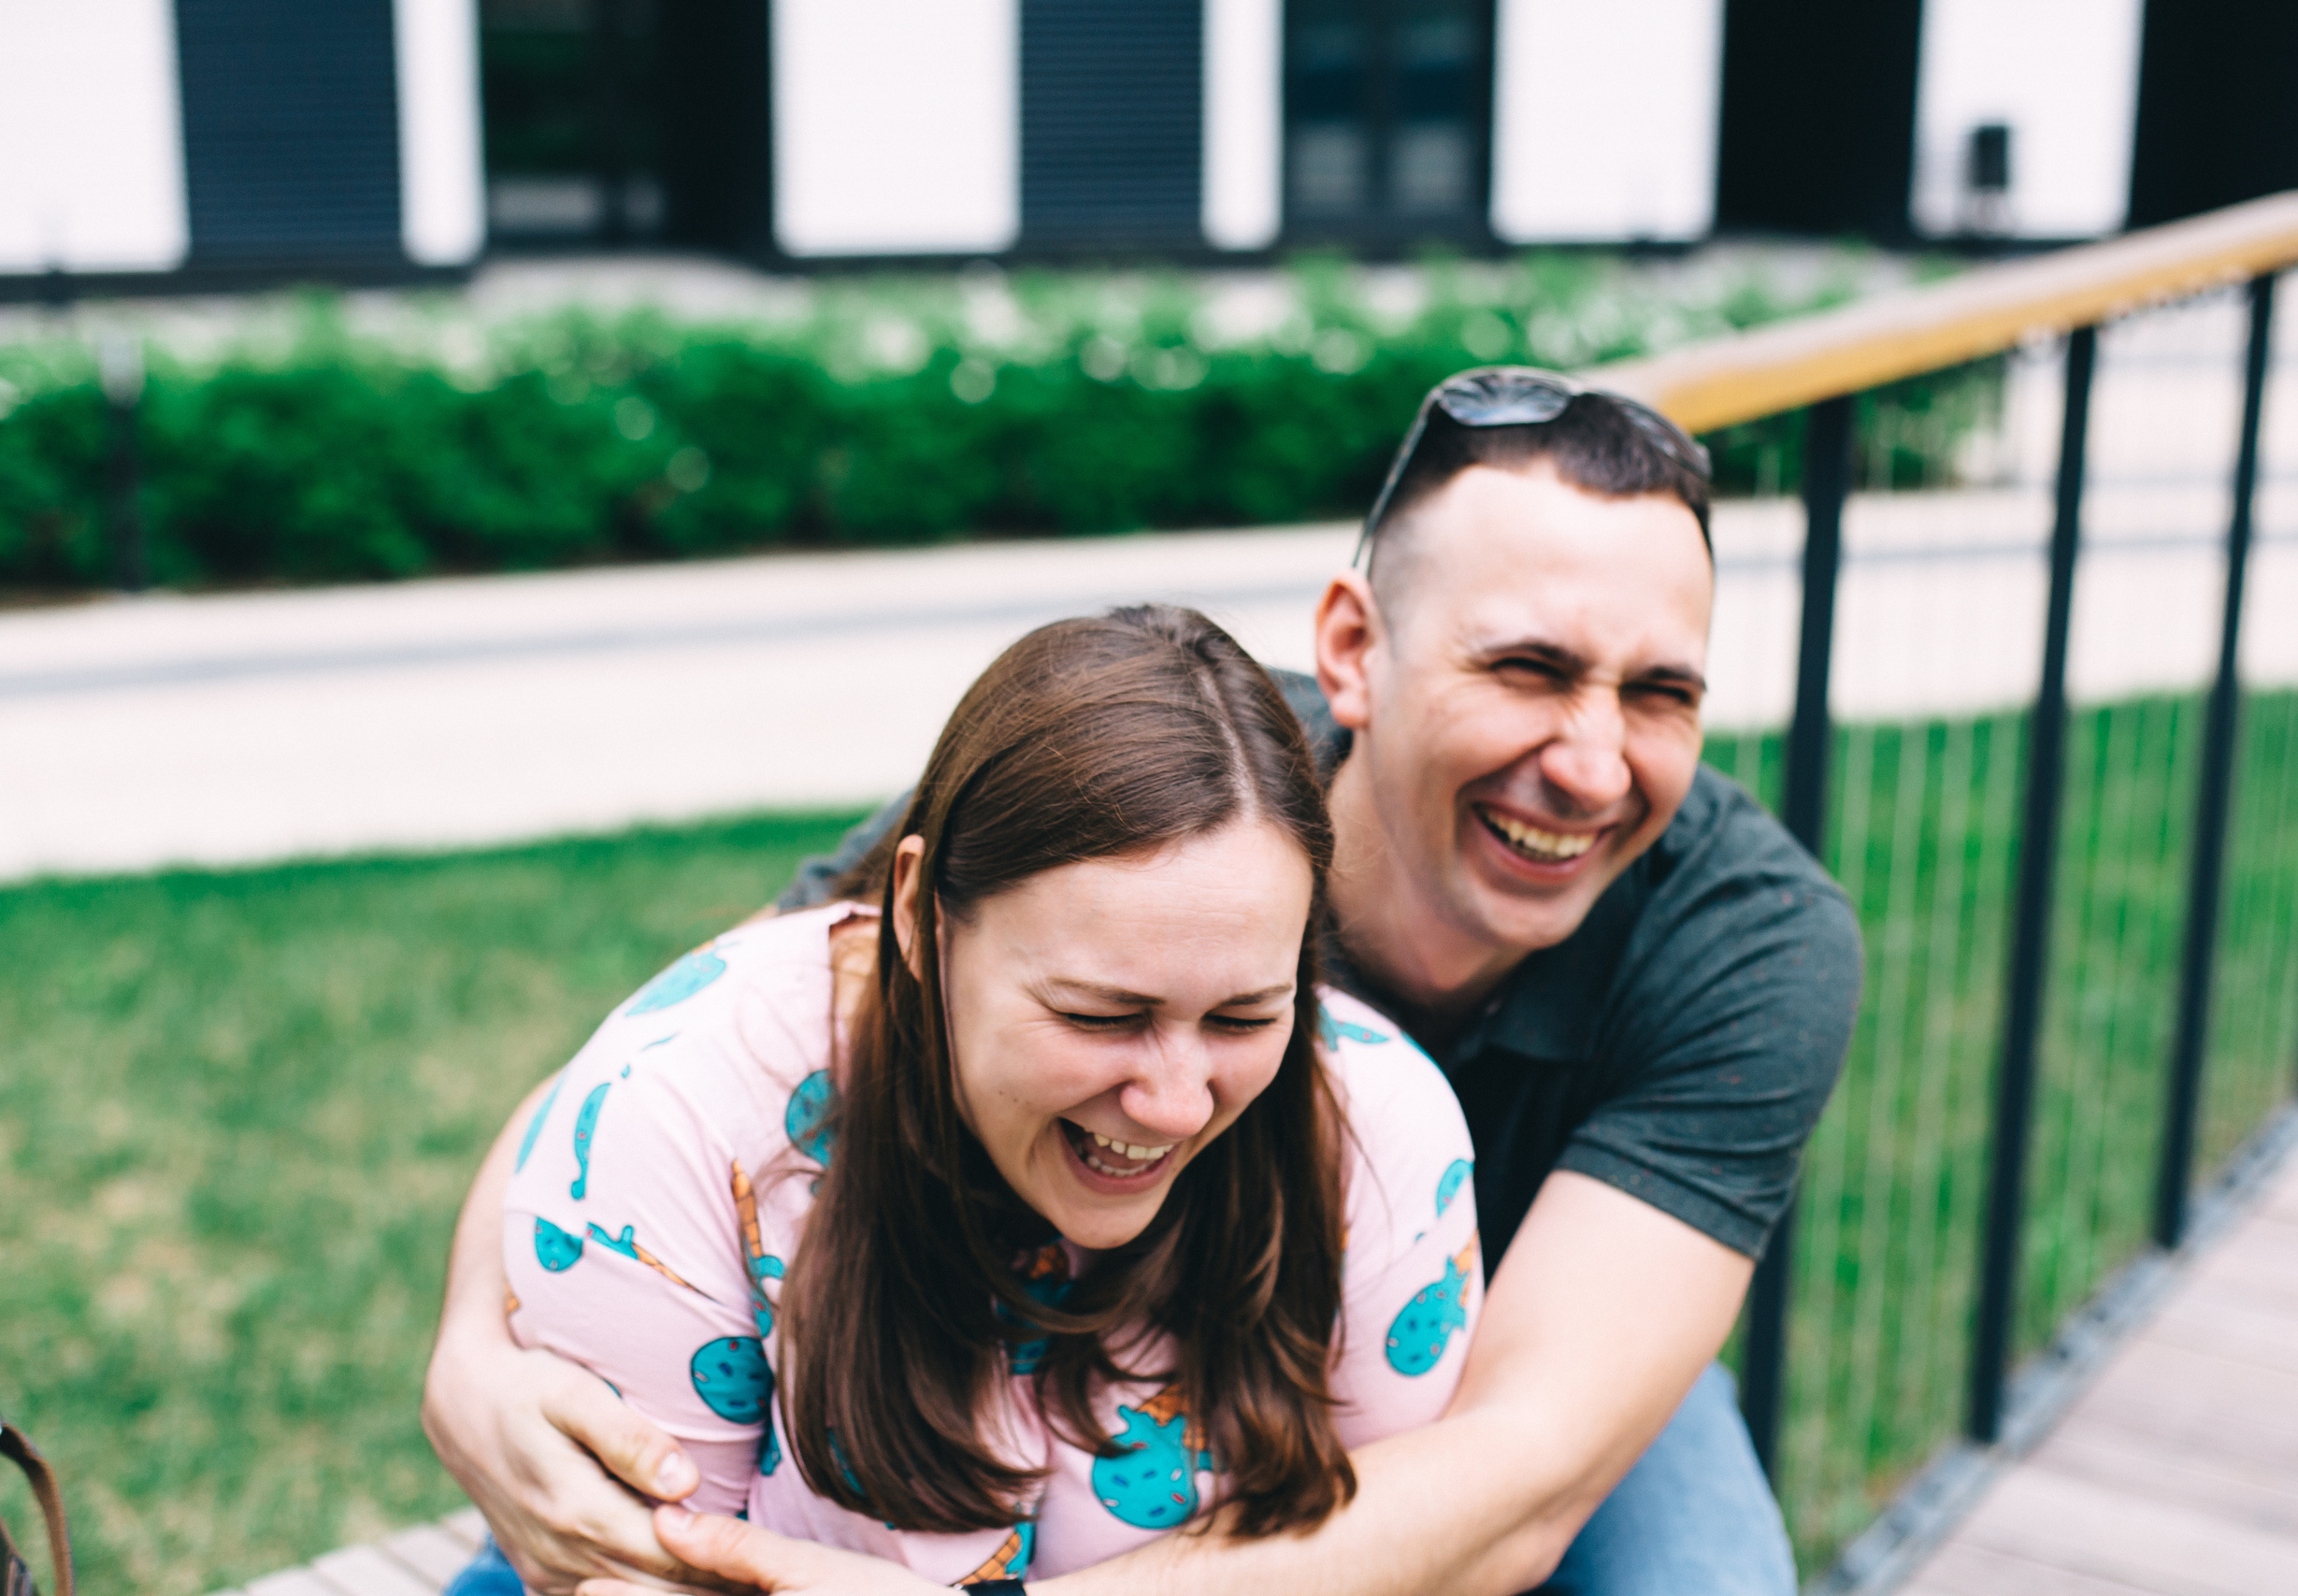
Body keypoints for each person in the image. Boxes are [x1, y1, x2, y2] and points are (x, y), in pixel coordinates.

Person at [424, 368, 1863, 1596]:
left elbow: (1519, 1481)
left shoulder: (1746, 940)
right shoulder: (1163, 801)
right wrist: (469, 1354)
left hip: (1543, 1332)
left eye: (1662, 690)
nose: (1596, 763)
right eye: (1529, 668)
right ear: (1355, 649)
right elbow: (672, 1060)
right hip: (1011, 1304)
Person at [475, 606, 1479, 1589]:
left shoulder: (1378, 1130)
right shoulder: (672, 1116)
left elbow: (1399, 1561)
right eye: (1101, 1016)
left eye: (1243, 1017)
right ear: (919, 917)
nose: (1177, 1106)